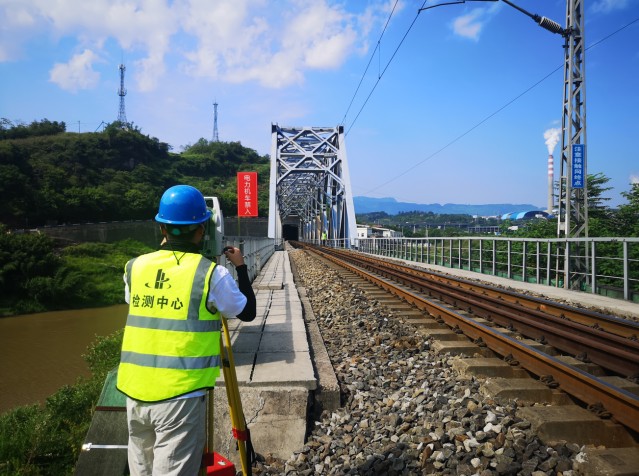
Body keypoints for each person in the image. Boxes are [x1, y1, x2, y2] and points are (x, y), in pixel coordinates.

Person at [117, 184, 256, 476]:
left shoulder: (135, 267)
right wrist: (241, 268)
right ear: (203, 229)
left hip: (134, 392)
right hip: (180, 396)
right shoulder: (210, 274)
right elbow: (247, 312)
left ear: (162, 228)